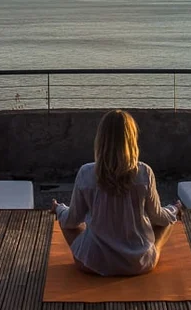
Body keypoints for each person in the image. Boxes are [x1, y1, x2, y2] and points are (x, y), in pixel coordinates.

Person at [51, 109, 183, 276]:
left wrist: (58, 209)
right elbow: (158, 217)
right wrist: (174, 209)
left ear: (100, 140)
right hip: (138, 264)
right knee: (167, 222)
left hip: (92, 263)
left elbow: (72, 220)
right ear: (132, 140)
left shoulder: (86, 173)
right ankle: (154, 249)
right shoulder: (144, 172)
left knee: (66, 223)